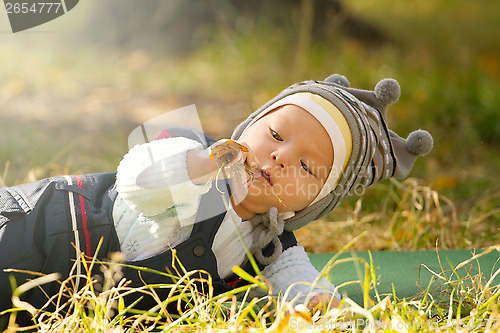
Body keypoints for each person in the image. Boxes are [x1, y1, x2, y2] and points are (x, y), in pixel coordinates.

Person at [0, 74, 433, 325]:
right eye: (276, 136)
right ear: (247, 129)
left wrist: (328, 309)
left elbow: (302, 284)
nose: (281, 157)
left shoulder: (271, 243)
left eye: (307, 167)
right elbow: (137, 180)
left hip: (62, 301)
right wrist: (199, 165)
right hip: (35, 229)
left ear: (315, 202)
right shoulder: (191, 157)